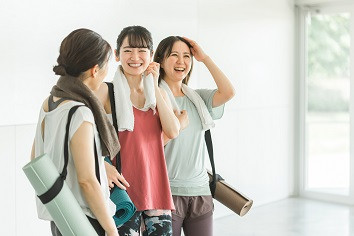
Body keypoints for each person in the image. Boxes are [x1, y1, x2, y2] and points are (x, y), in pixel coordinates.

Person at [30, 28, 119, 236]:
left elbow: (35, 156)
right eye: (107, 67)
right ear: (95, 70)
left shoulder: (49, 102)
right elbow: (87, 181)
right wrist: (112, 230)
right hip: (85, 221)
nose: (107, 73)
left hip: (61, 215)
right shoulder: (80, 113)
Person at [94, 26, 180, 236]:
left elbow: (173, 130)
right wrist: (103, 166)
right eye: (128, 50)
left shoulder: (158, 93)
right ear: (116, 55)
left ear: (151, 55)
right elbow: (86, 136)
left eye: (142, 50)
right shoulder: (106, 91)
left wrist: (155, 86)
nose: (135, 57)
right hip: (122, 191)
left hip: (156, 186)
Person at [154, 36, 235, 236]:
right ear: (161, 61)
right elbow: (146, 147)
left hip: (200, 192)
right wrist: (177, 126)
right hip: (166, 193)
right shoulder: (152, 98)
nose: (182, 61)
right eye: (174, 55)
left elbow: (228, 92)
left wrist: (204, 58)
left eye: (187, 56)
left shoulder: (197, 98)